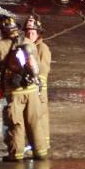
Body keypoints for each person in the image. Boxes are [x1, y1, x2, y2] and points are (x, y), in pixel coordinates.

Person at [0, 14, 48, 161]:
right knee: (34, 123)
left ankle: (16, 154)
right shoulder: (29, 43)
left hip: (15, 93)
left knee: (16, 124)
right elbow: (39, 67)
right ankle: (40, 153)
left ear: (3, 30)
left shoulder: (2, 45)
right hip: (33, 90)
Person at [24, 14, 52, 152]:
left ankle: (43, 145)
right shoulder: (26, 47)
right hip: (30, 88)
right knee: (32, 119)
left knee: (40, 117)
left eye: (33, 32)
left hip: (39, 89)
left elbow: (44, 69)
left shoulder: (42, 49)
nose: (30, 35)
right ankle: (34, 143)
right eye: (28, 32)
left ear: (39, 33)